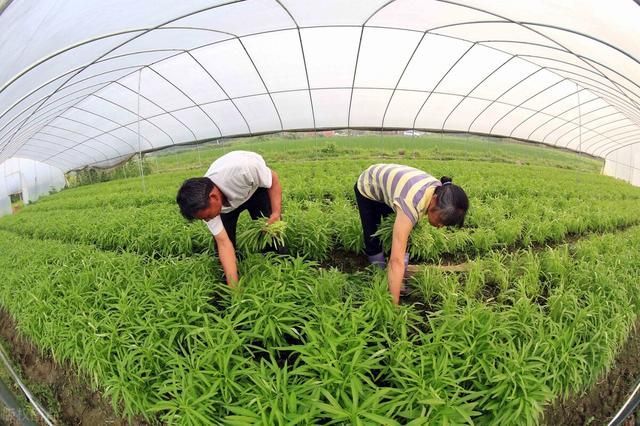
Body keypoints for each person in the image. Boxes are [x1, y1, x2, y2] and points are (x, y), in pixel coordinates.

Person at [354, 164, 469, 304]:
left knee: (400, 234)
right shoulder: (410, 205)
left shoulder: (440, 191)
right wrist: (393, 305)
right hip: (369, 185)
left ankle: (395, 277)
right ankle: (379, 273)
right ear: (433, 200)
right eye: (441, 221)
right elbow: (396, 261)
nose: (440, 227)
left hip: (396, 188)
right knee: (373, 233)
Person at [176, 151, 282, 286]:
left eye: (208, 217)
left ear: (213, 197)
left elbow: (274, 180)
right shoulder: (204, 207)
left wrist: (276, 213)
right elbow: (224, 243)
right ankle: (231, 281)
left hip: (254, 189)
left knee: (272, 232)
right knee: (224, 246)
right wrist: (234, 289)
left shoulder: (244, 169)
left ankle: (279, 270)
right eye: (204, 219)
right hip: (224, 206)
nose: (208, 220)